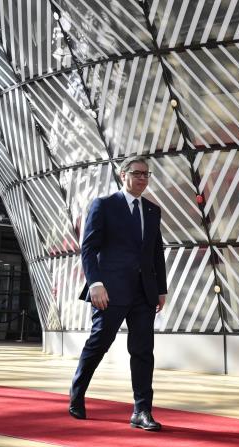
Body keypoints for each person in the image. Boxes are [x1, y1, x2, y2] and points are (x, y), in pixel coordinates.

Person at [68, 156, 167, 431]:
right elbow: (88, 249)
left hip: (144, 292)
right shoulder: (104, 205)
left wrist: (161, 289)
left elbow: (156, 252)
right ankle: (77, 392)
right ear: (123, 175)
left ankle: (142, 410)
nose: (142, 178)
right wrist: (95, 283)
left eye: (146, 174)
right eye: (137, 173)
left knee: (143, 351)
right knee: (99, 342)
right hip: (109, 291)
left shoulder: (152, 210)